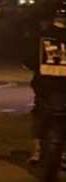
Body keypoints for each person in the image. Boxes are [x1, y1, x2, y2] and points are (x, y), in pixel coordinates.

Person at [24, 9, 66, 163]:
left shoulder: (42, 36)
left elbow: (29, 60)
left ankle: (37, 151)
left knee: (40, 114)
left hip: (45, 86)